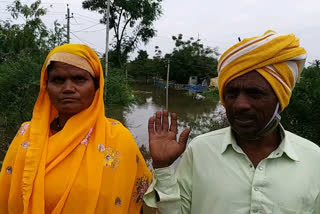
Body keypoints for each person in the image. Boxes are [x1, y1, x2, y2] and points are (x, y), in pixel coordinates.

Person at [144, 30, 320, 213]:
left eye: (255, 93)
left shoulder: (314, 160)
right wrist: (163, 167)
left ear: (280, 100)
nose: (240, 104)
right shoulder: (200, 150)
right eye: (231, 94)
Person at [0, 44, 151, 214]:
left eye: (79, 79)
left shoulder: (118, 138)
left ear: (96, 87)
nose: (68, 88)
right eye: (58, 80)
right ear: (46, 87)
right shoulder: (26, 135)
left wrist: (162, 165)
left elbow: (142, 202)